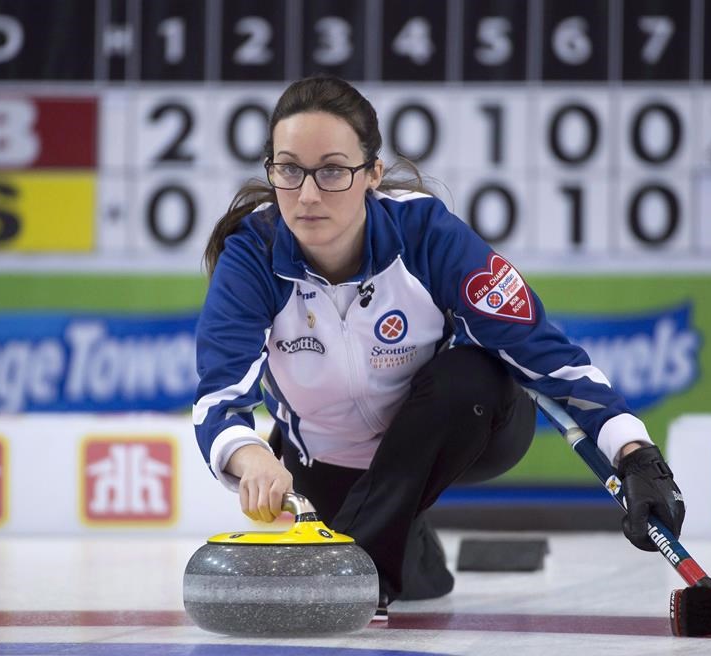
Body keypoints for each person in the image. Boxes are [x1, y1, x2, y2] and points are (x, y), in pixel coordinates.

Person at [192, 76, 685, 618]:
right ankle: (403, 535)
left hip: (460, 426)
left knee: (475, 374)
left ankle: (369, 571)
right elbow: (219, 398)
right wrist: (253, 455)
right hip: (326, 460)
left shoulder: (428, 234)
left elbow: (544, 351)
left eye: (332, 170)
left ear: (372, 174)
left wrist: (635, 454)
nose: (307, 194)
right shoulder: (251, 256)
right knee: (417, 580)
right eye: (289, 170)